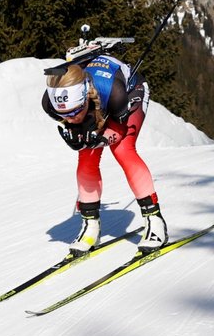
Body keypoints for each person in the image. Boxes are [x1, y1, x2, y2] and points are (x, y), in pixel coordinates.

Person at [43, 54, 168, 255]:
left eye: (74, 112)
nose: (71, 119)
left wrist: (101, 139)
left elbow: (119, 132)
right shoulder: (50, 103)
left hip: (129, 92)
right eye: (64, 115)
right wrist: (77, 135)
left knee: (123, 150)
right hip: (97, 102)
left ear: (85, 96)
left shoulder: (114, 94)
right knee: (86, 156)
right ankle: (90, 226)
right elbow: (71, 119)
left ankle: (155, 220)